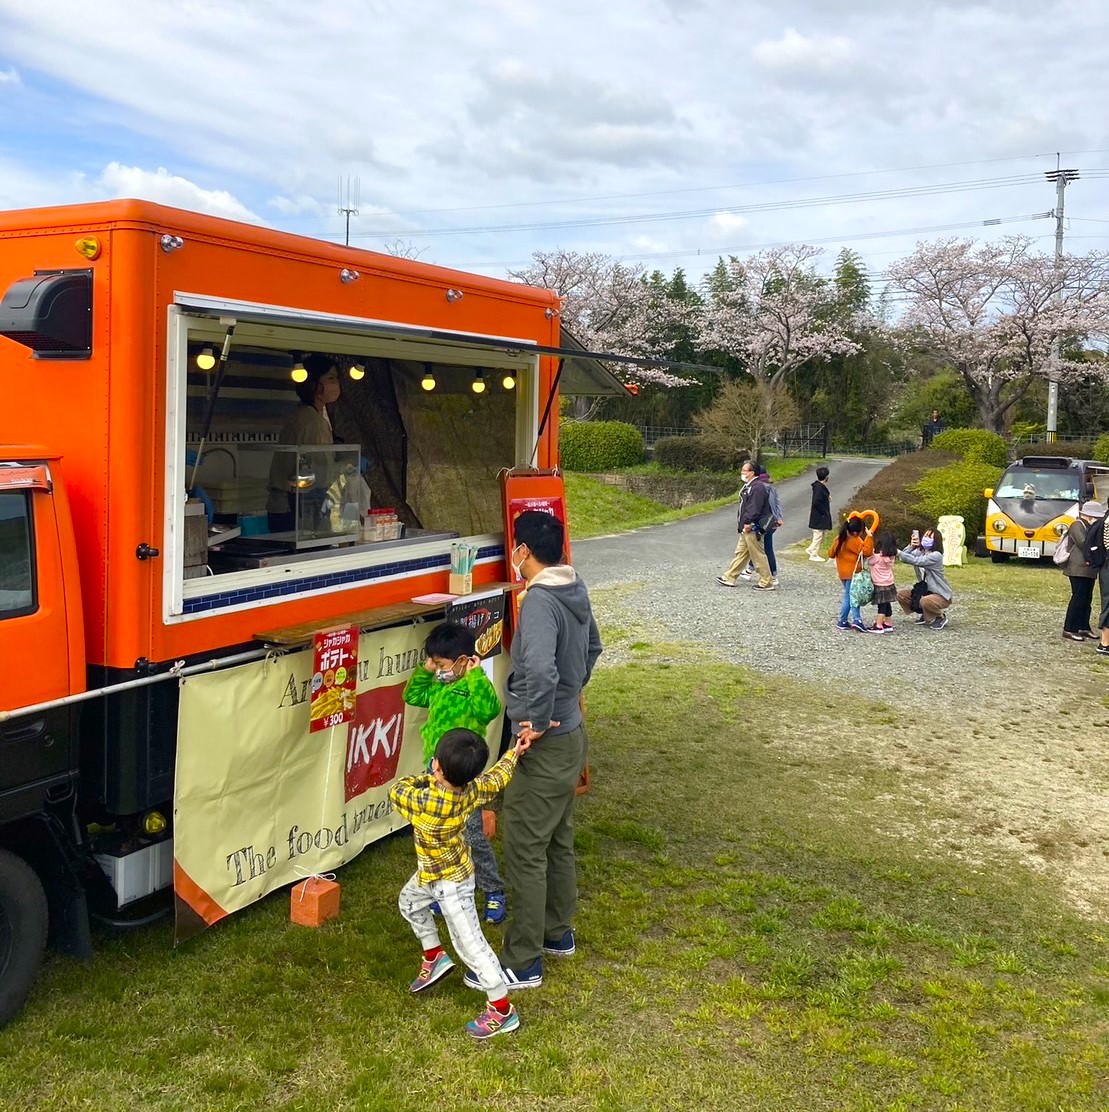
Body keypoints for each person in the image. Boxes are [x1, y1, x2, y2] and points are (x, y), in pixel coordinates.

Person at [463, 509, 601, 991]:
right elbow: (593, 649)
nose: (513, 556)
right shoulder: (574, 586)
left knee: (525, 846)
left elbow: (540, 670)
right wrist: (568, 698)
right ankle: (557, 933)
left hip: (545, 743)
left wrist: (537, 720)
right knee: (557, 840)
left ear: (522, 550)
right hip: (572, 738)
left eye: (513, 548)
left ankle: (523, 961)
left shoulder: (541, 600)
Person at [389, 728, 530, 1040]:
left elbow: (397, 790)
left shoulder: (425, 800)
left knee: (472, 947)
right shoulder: (473, 790)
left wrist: (427, 777)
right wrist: (513, 753)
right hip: (433, 875)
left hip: (452, 886)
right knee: (409, 903)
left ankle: (502, 1010)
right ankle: (434, 956)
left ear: (437, 766)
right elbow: (497, 779)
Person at [403, 621, 508, 923]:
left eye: (441, 664)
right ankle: (444, 891)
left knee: (472, 835)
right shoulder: (437, 684)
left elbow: (489, 709)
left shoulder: (472, 686)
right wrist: (426, 670)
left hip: (462, 775)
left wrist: (474, 675)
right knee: (439, 836)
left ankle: (493, 890)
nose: (438, 669)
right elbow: (412, 696)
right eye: (434, 664)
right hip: (435, 771)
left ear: (463, 661)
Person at [266, 354, 342, 532]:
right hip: (293, 508)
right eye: (331, 378)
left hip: (299, 505)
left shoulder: (313, 415)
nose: (336, 384)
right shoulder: (309, 420)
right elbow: (318, 471)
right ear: (314, 384)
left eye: (337, 379)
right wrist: (347, 466)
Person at [716, 460, 775, 591]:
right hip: (747, 527)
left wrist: (748, 522)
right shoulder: (750, 486)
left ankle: (766, 582)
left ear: (752, 473)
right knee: (741, 553)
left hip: (753, 527)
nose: (742, 473)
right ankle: (730, 577)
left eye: (744, 470)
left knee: (758, 555)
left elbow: (754, 507)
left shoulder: (757, 487)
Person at [1060, 501, 1105, 642]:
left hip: (1089, 569)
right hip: (1077, 568)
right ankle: (1069, 628)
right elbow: (1084, 543)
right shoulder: (1077, 525)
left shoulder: (1088, 526)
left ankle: (1083, 626)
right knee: (1078, 598)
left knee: (1087, 599)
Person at [896, 527, 954, 629]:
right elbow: (904, 559)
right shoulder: (921, 552)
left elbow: (917, 561)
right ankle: (926, 613)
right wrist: (911, 546)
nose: (926, 538)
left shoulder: (936, 556)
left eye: (929, 537)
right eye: (925, 536)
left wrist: (898, 552)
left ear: (936, 541)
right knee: (901, 595)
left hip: (940, 594)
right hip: (925, 591)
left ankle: (940, 616)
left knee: (925, 601)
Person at [829, 516, 874, 632]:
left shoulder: (839, 538)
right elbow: (867, 552)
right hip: (853, 573)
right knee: (851, 597)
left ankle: (846, 620)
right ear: (856, 532)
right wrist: (869, 537)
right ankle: (853, 620)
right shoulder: (853, 540)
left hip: (843, 573)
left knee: (850, 596)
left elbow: (831, 553)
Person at [740, 470, 783, 586]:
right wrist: (779, 518)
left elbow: (763, 507)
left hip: (764, 522)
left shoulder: (761, 488)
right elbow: (777, 504)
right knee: (760, 547)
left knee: (764, 548)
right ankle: (750, 570)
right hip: (771, 522)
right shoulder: (771, 488)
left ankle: (772, 576)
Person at [866, 530, 899, 633]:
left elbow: (869, 561)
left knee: (882, 606)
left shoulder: (877, 557)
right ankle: (888, 623)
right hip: (889, 583)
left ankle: (879, 625)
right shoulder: (891, 557)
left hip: (879, 584)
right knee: (887, 604)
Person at [806, 466, 832, 562]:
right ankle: (814, 554)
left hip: (819, 515)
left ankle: (810, 549)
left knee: (820, 535)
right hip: (819, 516)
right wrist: (823, 512)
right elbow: (816, 502)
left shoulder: (819, 487)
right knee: (818, 535)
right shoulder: (819, 488)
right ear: (826, 477)